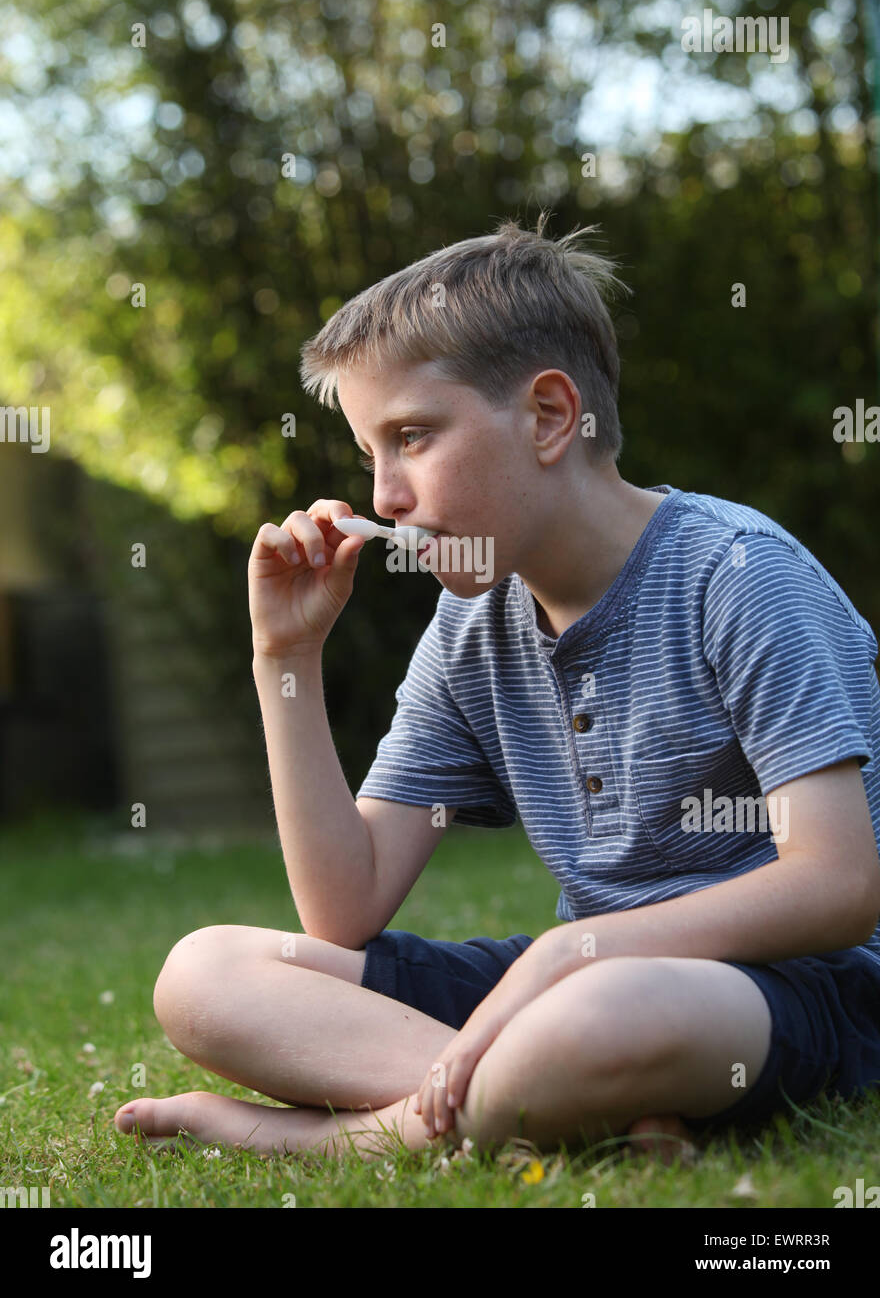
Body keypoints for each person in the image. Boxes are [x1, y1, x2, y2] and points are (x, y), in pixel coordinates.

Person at [114, 215, 880, 1163]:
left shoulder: (737, 574)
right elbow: (343, 909)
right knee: (205, 974)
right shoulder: (473, 627)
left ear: (551, 417)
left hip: (775, 989)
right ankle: (560, 1104)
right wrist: (287, 658)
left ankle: (329, 1139)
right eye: (370, 456)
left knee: (597, 1009)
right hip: (568, 995)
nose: (383, 496)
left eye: (413, 438)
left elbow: (841, 885)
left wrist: (575, 950)